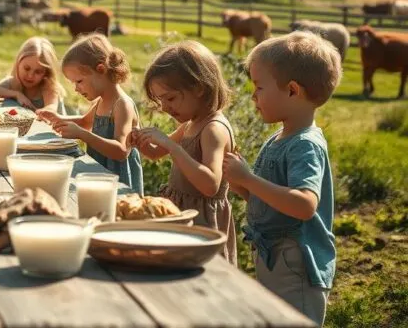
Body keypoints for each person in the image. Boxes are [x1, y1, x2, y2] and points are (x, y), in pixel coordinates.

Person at [222, 31, 342, 326]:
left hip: (297, 265)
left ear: (292, 90)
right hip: (275, 256)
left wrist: (249, 179)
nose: (253, 95)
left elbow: (304, 205)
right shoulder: (280, 137)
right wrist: (240, 183)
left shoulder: (304, 145)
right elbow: (271, 200)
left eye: (259, 86)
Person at [132, 40, 237, 263]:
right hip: (183, 216)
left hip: (204, 224)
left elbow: (210, 185)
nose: (164, 107)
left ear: (199, 88)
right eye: (160, 100)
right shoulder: (190, 124)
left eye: (170, 98)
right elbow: (155, 153)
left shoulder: (213, 129)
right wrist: (139, 141)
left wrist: (173, 146)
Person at [41, 34, 143, 194]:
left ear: (101, 69)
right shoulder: (101, 102)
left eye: (79, 81)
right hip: (99, 176)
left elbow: (121, 151)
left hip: (118, 183)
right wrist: (58, 118)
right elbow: (84, 122)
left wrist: (82, 135)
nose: (76, 88)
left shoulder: (122, 105)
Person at [0, 36, 66, 112]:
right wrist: (17, 94)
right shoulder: (13, 82)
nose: (30, 76)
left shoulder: (49, 86)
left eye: (38, 72)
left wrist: (38, 112)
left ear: (46, 73)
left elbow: (51, 108)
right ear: (18, 63)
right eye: (27, 68)